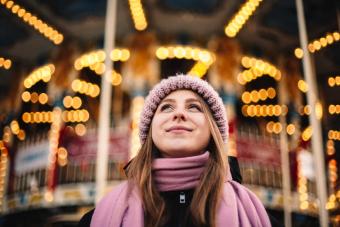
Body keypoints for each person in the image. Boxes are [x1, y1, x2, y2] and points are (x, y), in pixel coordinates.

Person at [79, 74, 271, 227]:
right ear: (151, 128)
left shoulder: (252, 213)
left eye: (194, 107)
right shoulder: (99, 217)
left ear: (213, 130)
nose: (179, 113)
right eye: (167, 107)